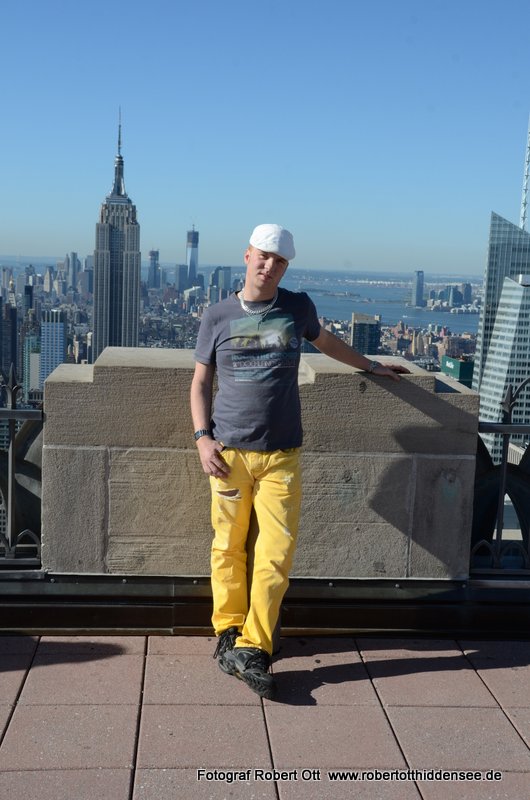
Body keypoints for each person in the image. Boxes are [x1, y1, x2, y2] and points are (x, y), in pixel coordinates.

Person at [190, 224, 409, 699]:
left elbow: (326, 342)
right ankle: (229, 631)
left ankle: (254, 645)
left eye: (280, 261)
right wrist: (203, 439)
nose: (270, 266)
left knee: (276, 552)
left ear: (286, 267)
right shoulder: (217, 315)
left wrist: (371, 365)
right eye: (263, 256)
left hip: (282, 455)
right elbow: (200, 382)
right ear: (247, 256)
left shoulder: (297, 307)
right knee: (227, 546)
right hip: (229, 453)